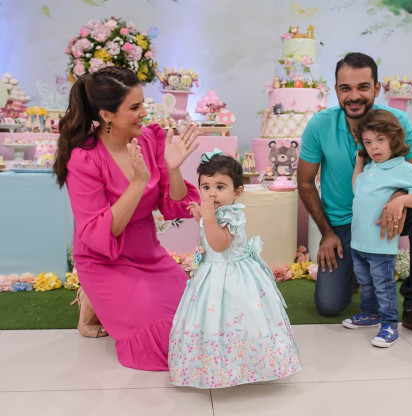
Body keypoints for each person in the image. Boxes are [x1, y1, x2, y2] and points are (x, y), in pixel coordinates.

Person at [53, 66, 201, 370]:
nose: (144, 112)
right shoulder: (84, 159)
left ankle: (94, 300)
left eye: (143, 103)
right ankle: (92, 294)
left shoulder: (149, 140)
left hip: (148, 253)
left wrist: (173, 169)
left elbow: (172, 205)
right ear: (107, 115)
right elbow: (99, 232)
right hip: (105, 260)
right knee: (166, 341)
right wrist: (137, 183)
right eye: (134, 107)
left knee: (199, 320)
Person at [298, 52, 412, 341]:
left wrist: (398, 199)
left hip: (387, 217)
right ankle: (359, 275)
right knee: (329, 306)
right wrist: (327, 233)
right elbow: (305, 183)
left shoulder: (397, 121)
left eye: (363, 87)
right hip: (345, 225)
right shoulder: (319, 125)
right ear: (336, 90)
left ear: (377, 88)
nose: (354, 96)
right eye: (346, 88)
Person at [168, 150, 301, 388]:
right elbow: (209, 234)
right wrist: (202, 217)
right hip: (211, 273)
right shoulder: (214, 213)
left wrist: (207, 218)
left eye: (220, 187)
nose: (212, 194)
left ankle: (245, 365)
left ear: (237, 192)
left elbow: (219, 244)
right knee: (209, 318)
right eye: (206, 187)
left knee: (238, 319)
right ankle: (209, 365)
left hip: (233, 276)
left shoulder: (232, 215)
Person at [342, 109, 412, 348]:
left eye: (380, 140)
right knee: (366, 283)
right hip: (359, 242)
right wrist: (359, 163)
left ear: (394, 139)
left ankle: (389, 324)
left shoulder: (403, 168)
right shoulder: (370, 168)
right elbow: (356, 187)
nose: (374, 147)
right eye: (368, 142)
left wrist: (401, 201)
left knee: (383, 286)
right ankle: (370, 314)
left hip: (380, 246)